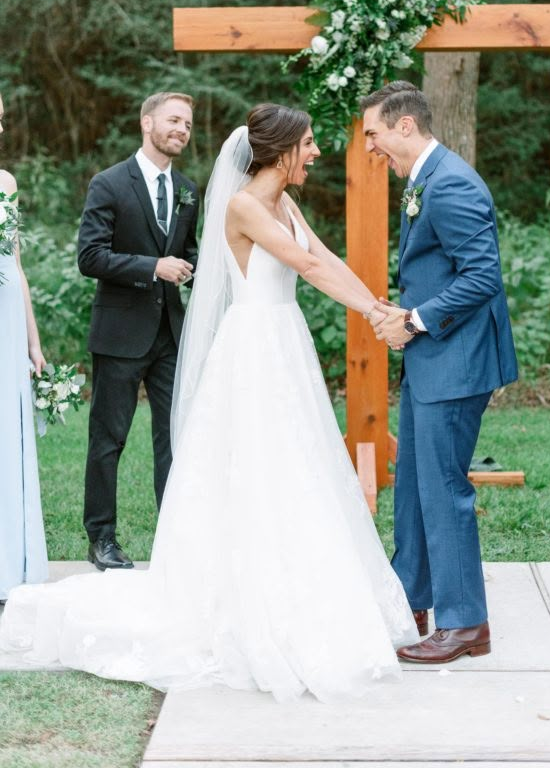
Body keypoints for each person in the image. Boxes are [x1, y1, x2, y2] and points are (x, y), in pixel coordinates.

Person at [0, 104, 417, 701]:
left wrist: (377, 302)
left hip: (285, 342)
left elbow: (321, 256)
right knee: (252, 467)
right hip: (253, 349)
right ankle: (247, 600)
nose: (317, 153)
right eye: (309, 144)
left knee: (299, 466)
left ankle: (302, 585)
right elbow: (301, 264)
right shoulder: (243, 204)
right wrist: (375, 314)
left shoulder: (284, 202)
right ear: (280, 151)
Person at [360, 81, 518, 664]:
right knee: (416, 487)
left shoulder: (449, 183)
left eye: (374, 132)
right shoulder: (426, 178)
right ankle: (413, 601)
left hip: (456, 362)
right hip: (433, 360)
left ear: (405, 126)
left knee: (444, 489)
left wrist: (416, 320)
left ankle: (465, 623)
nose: (370, 146)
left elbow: (483, 277)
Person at [77, 92, 198, 571]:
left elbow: (190, 252)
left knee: (175, 440)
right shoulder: (108, 184)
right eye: (174, 120)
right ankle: (101, 538)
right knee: (108, 440)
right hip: (120, 334)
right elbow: (90, 257)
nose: (182, 130)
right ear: (147, 123)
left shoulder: (189, 189)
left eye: (187, 124)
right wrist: (153, 266)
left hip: (170, 334)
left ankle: (175, 540)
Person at [0, 92, 49, 601]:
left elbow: (15, 264)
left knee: (7, 427)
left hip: (7, 313)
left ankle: (11, 563)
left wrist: (33, 341)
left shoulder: (6, 183)